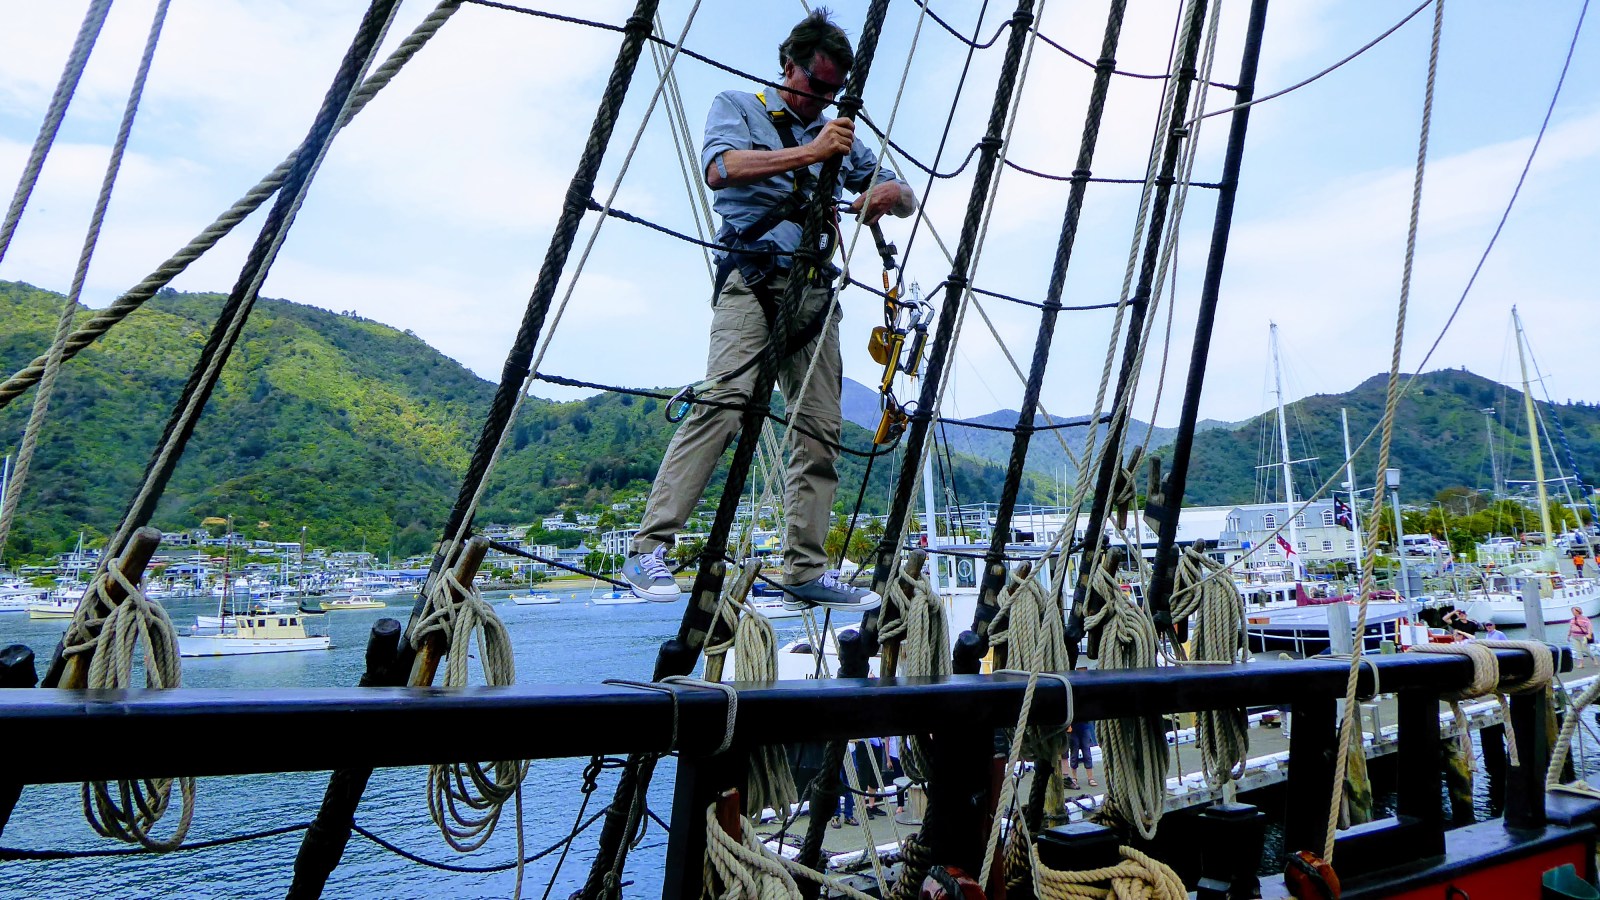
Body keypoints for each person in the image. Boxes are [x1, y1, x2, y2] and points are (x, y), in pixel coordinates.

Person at [621, 8, 916, 609]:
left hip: (812, 289)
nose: (822, 100)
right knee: (722, 406)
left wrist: (890, 193)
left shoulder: (839, 134)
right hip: (751, 279)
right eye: (816, 85)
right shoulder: (738, 105)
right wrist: (811, 154)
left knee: (819, 430)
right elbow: (721, 169)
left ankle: (804, 569)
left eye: (833, 91)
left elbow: (902, 190)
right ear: (790, 67)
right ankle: (648, 549)